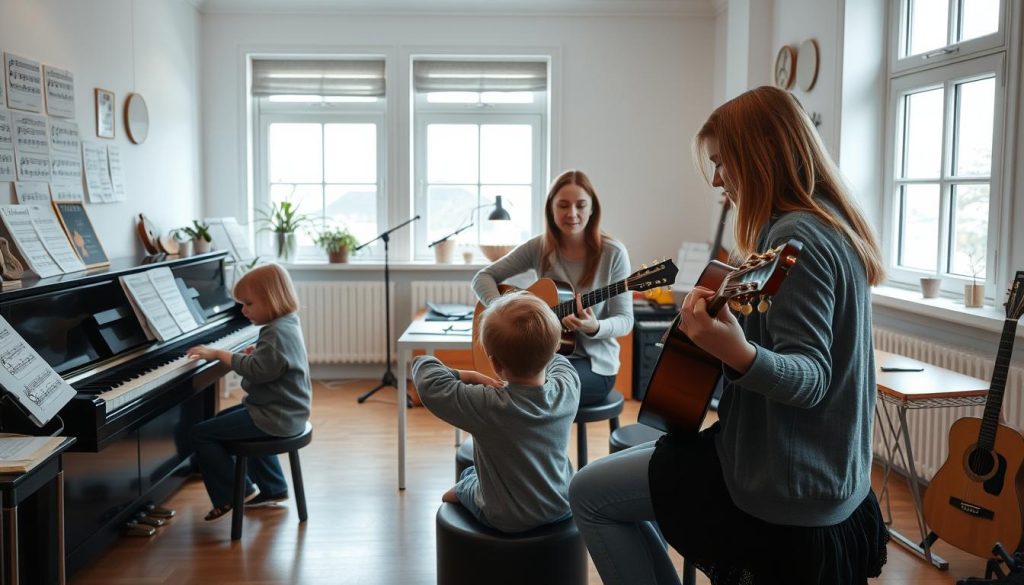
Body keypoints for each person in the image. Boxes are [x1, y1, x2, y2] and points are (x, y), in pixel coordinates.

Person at [568, 86, 890, 585]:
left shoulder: (795, 236)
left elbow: (810, 378)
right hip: (807, 464)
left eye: (723, 162)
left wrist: (732, 349)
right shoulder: (826, 225)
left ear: (760, 156)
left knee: (591, 494)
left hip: (789, 480)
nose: (717, 179)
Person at [413, 291, 580, 532]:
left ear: (495, 364)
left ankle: (461, 491)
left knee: (469, 478)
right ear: (554, 345)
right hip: (562, 504)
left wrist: (466, 375)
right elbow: (558, 359)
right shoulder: (568, 387)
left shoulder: (487, 405)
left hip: (508, 517)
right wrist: (542, 342)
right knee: (475, 471)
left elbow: (426, 375)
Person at [472, 169, 633, 406]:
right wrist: (502, 309)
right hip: (542, 359)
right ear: (551, 208)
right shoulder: (540, 247)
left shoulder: (613, 253)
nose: (572, 213)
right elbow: (483, 277)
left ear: (592, 208)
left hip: (595, 365)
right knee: (517, 390)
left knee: (528, 395)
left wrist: (595, 326)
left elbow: (625, 320)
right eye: (563, 205)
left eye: (580, 205)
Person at [186, 263, 312, 522]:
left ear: (271, 300)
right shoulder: (286, 323)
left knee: (202, 432)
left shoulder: (275, 332)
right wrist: (257, 355)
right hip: (284, 410)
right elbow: (274, 363)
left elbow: (258, 372)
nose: (243, 310)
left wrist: (222, 354)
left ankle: (235, 493)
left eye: (248, 304)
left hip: (275, 415)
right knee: (227, 418)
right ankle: (273, 488)